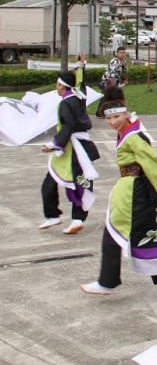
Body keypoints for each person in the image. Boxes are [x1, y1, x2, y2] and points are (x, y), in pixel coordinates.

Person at [80, 90, 157, 298]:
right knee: (149, 235)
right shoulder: (132, 128)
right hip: (137, 190)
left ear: (125, 114)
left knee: (114, 233)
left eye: (117, 116)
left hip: (136, 193)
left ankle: (107, 282)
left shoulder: (133, 137)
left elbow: (152, 161)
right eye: (109, 118)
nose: (113, 122)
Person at [39, 55, 100, 235]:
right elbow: (80, 83)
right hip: (80, 146)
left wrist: (54, 144)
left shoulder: (66, 103)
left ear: (61, 86)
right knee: (77, 181)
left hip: (72, 149)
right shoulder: (79, 97)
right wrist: (81, 66)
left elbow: (68, 125)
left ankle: (61, 217)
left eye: (57, 85)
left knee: (64, 182)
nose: (56, 88)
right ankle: (70, 218)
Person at [96, 46, 128, 117]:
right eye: (121, 53)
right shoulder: (114, 61)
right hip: (107, 82)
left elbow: (125, 71)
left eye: (123, 53)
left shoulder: (124, 62)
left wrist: (126, 79)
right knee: (106, 98)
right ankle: (99, 113)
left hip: (116, 82)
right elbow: (112, 75)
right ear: (117, 53)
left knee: (113, 97)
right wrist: (113, 88)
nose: (122, 54)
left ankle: (115, 112)